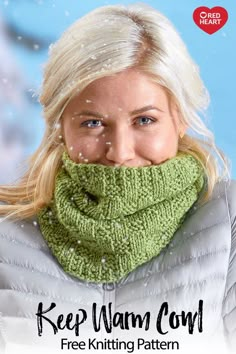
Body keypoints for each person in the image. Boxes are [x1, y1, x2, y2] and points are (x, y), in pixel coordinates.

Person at [0, 3, 235, 354]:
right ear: (60, 127)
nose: (119, 153)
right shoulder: (7, 234)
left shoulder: (227, 219)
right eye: (93, 123)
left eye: (145, 120)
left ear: (180, 117)